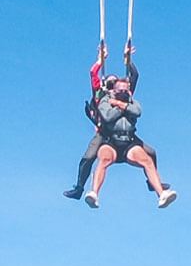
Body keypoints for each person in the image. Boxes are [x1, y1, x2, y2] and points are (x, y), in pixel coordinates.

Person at [63, 47, 167, 200]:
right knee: (89, 156)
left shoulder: (125, 93)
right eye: (110, 82)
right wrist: (100, 60)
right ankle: (80, 187)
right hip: (104, 132)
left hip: (126, 134)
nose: (113, 84)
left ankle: (153, 182)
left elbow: (134, 76)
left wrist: (128, 60)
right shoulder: (102, 94)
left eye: (114, 82)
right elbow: (93, 75)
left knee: (151, 153)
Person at [84, 76, 177, 208]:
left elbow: (137, 111)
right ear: (114, 91)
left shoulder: (132, 102)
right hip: (111, 140)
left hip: (128, 141)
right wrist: (120, 108)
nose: (123, 92)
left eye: (125, 90)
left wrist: (121, 105)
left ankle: (161, 194)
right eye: (120, 90)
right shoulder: (106, 101)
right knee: (103, 159)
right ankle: (94, 193)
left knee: (147, 159)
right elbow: (107, 116)